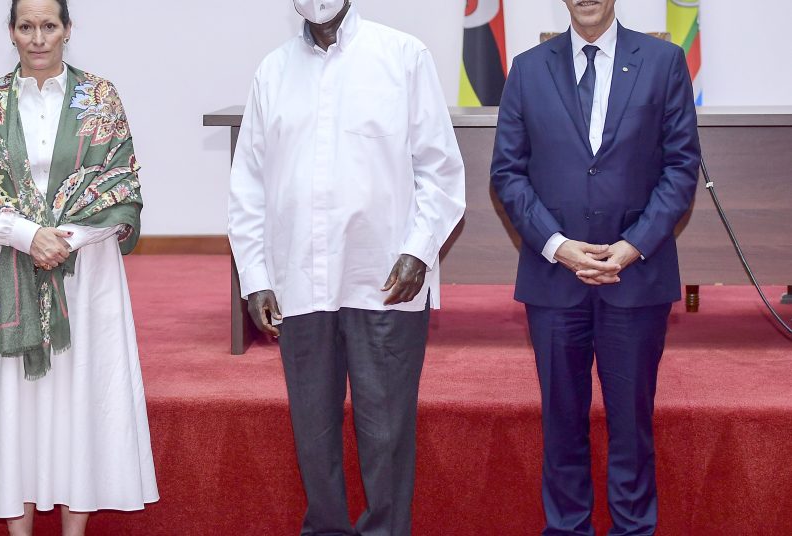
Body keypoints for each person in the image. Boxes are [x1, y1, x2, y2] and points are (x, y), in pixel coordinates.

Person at [228, 1, 466, 534]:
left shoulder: (403, 56)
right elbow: (248, 184)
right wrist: (256, 275)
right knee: (313, 434)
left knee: (387, 433)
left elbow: (441, 171)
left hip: (383, 281)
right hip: (298, 283)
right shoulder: (273, 72)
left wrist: (419, 250)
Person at [490, 0, 701, 533]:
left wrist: (634, 245)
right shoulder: (527, 69)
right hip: (553, 279)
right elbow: (507, 174)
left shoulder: (663, 62)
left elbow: (681, 167)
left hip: (636, 277)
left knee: (632, 428)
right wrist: (558, 245)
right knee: (562, 427)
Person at [0, 1, 158, 534]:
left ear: (68, 29)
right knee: (14, 400)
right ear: (11, 32)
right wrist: (27, 236)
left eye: (49, 26)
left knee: (81, 397)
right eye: (26, 26)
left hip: (85, 272)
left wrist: (64, 240)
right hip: (8, 267)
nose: (38, 38)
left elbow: (121, 188)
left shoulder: (100, 98)